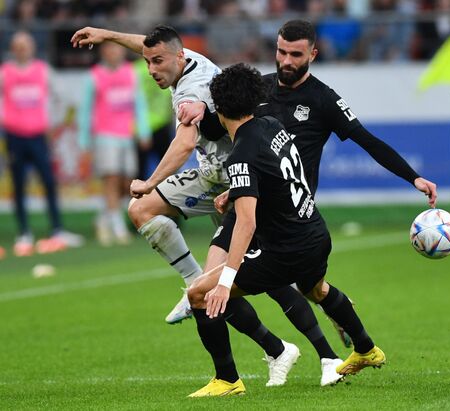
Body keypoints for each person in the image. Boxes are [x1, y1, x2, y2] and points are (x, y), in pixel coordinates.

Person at [70, 24, 345, 387]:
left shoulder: (191, 92)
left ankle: (322, 355)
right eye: (149, 62)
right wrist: (107, 35)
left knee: (255, 279)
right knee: (152, 222)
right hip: (216, 176)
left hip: (234, 181)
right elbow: (152, 47)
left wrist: (150, 181)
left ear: (178, 58)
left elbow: (184, 144)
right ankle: (272, 347)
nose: (151, 69)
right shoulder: (183, 59)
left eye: (157, 63)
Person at [186, 62, 386, 397]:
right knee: (316, 290)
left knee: (199, 294)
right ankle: (366, 349)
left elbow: (246, 223)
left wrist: (224, 282)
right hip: (315, 233)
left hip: (284, 251)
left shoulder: (241, 155)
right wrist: (235, 190)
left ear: (219, 109)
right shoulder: (271, 124)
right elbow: (280, 174)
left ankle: (227, 380)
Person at [0, 31, 84, 257]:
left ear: (32, 48)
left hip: (38, 136)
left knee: (48, 182)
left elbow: (65, 98)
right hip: (15, 137)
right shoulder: (5, 73)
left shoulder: (43, 71)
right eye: (18, 46)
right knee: (18, 185)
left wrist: (55, 124)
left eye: (25, 45)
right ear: (12, 49)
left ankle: (57, 229)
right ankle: (24, 233)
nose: (22, 50)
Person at [78, 42, 151, 245]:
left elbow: (139, 102)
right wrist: (84, 141)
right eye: (109, 49)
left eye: (116, 49)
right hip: (104, 135)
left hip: (126, 135)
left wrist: (143, 130)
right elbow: (85, 110)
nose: (113, 53)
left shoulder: (130, 73)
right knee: (110, 178)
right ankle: (118, 227)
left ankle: (103, 218)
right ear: (103, 53)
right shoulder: (94, 76)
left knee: (126, 182)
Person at [133, 58, 173, 182]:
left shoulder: (133, 68)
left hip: (145, 126)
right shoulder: (164, 64)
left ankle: (138, 200)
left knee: (140, 173)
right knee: (167, 170)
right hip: (152, 125)